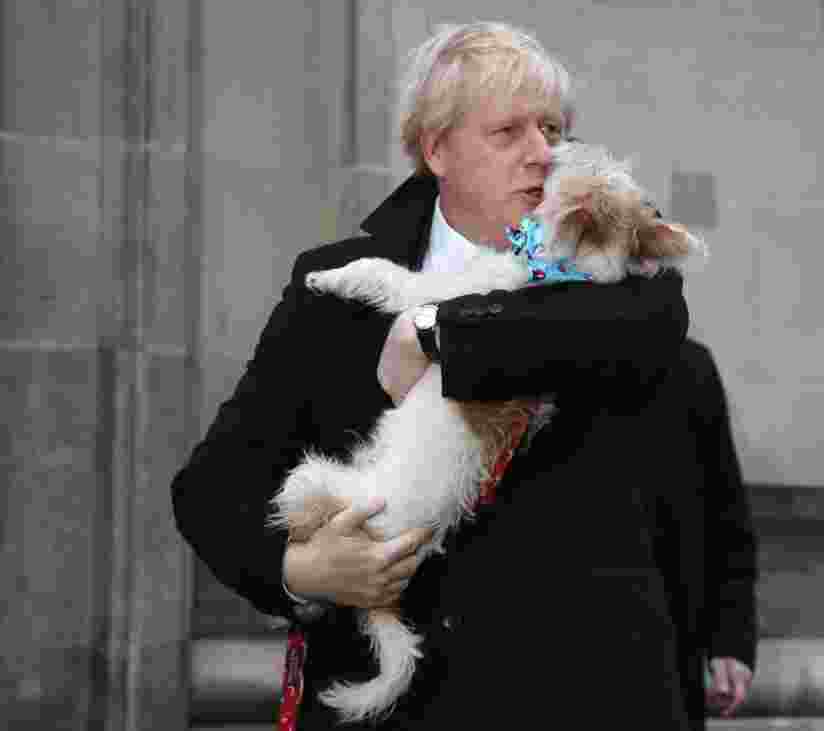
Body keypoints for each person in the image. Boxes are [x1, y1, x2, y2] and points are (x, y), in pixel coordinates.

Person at [171, 21, 757, 730]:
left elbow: (646, 325)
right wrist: (306, 571)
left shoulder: (619, 275)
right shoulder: (332, 291)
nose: (543, 153)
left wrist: (431, 336)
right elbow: (211, 491)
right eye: (508, 131)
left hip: (591, 698)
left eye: (552, 129)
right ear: (437, 148)